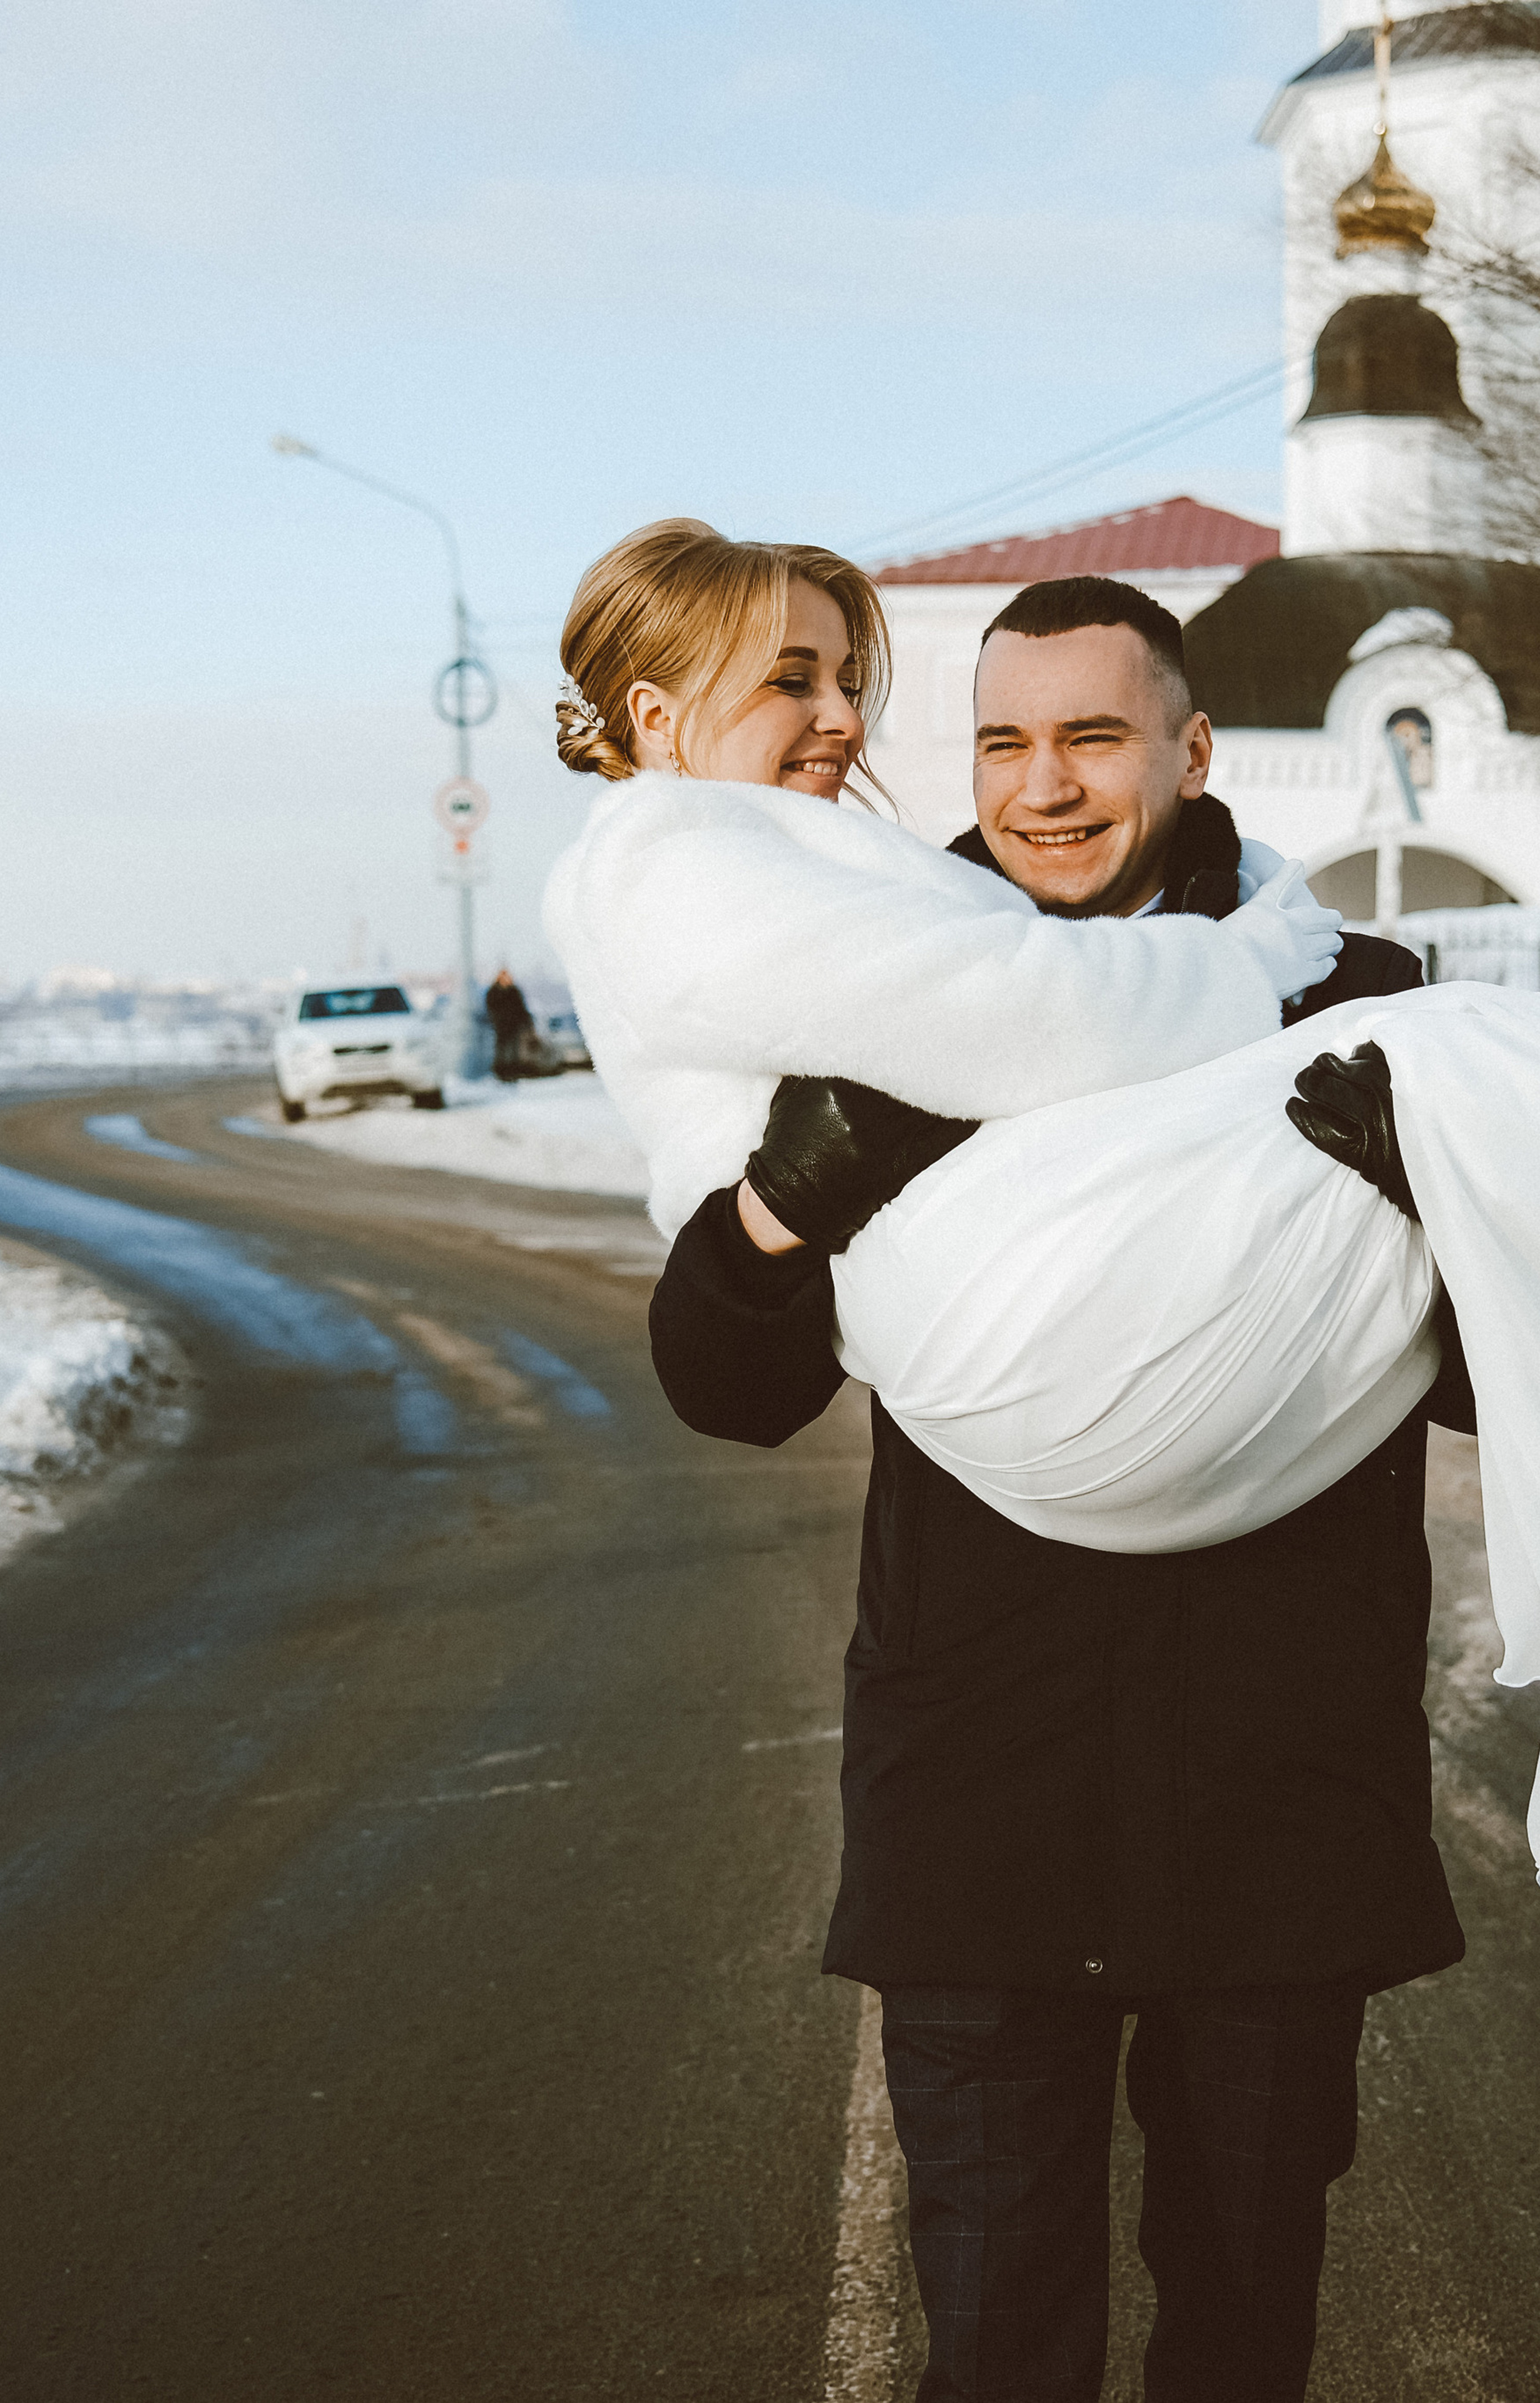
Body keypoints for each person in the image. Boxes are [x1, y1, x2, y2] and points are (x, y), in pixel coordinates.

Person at [543, 526, 1537, 2395]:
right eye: (999, 741)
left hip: (1271, 1782)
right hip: (985, 1793)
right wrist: (779, 1201)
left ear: (1191, 755)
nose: (1040, 783)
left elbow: (1494, 1369)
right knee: (997, 2339)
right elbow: (722, 1382)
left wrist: (1446, 1200)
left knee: (1243, 2333)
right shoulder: (871, 985)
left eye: (1091, 737)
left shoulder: (1355, 996)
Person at [484, 967, 534, 1082]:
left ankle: (512, 1073)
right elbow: (491, 1008)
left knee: (513, 1050)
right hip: (501, 1026)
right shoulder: (495, 992)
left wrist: (526, 1023)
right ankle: (502, 1073)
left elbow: (521, 1008)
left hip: (513, 1025)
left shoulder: (514, 991)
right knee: (502, 1050)